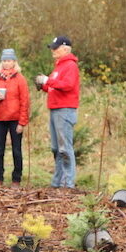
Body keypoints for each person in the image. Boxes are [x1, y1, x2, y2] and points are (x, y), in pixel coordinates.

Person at [35, 35, 80, 188]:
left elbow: (67, 85)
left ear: (65, 48)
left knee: (65, 148)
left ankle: (68, 183)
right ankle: (57, 182)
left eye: (56, 47)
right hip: (55, 109)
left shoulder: (70, 66)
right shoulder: (59, 66)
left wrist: (48, 80)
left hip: (65, 110)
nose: (53, 50)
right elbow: (56, 87)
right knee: (56, 148)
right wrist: (43, 86)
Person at [0, 49, 29, 187]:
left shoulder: (20, 79)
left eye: (9, 60)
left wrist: (22, 122)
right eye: (4, 60)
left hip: (15, 120)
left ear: (14, 62)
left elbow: (25, 101)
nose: (6, 63)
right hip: (0, 119)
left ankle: (16, 179)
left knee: (16, 150)